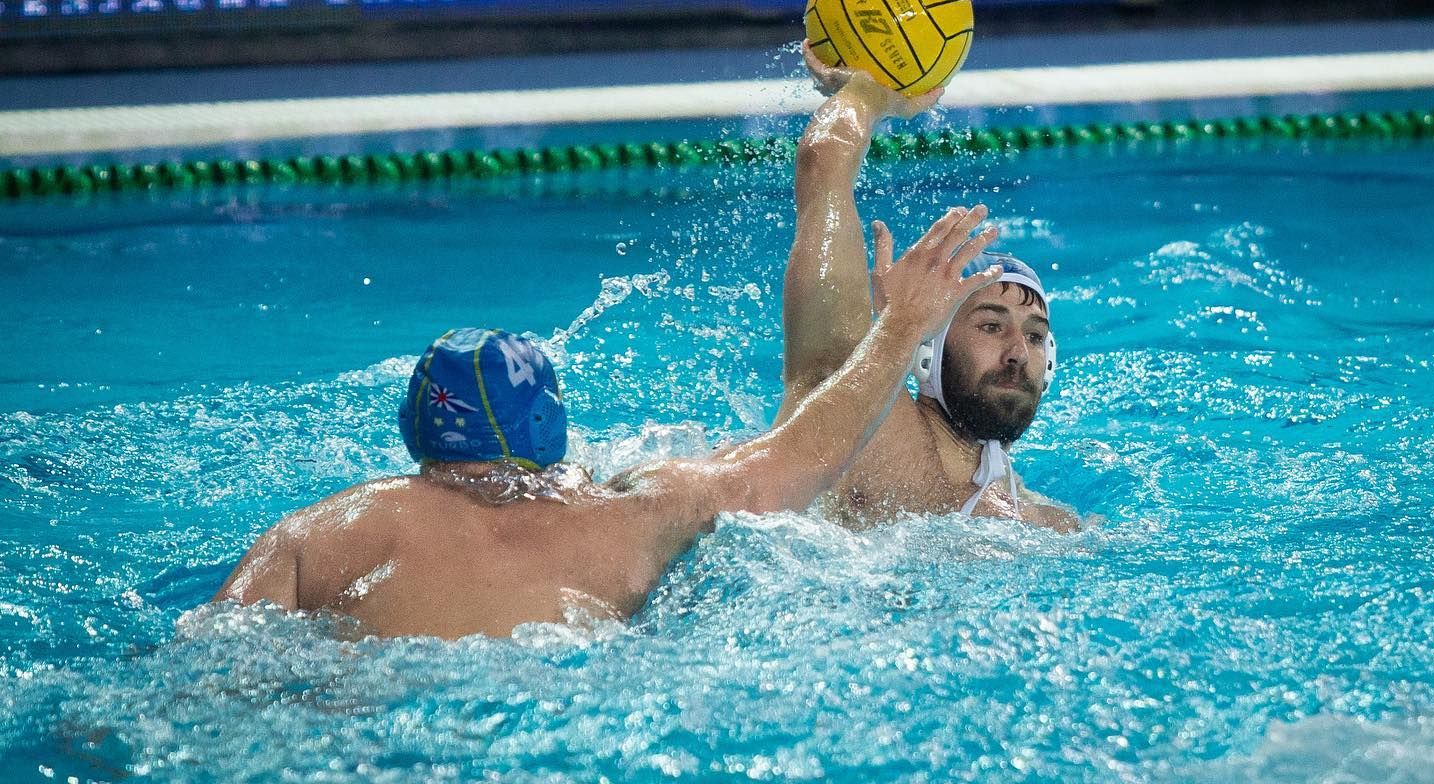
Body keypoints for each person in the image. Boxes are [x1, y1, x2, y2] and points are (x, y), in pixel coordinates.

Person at [213, 200, 1004, 639]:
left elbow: (210, 654)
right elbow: (806, 453)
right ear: (547, 423)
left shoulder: (317, 534)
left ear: (414, 426)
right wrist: (902, 325)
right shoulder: (630, 516)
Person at [774, 43, 1079, 532]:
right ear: (927, 350)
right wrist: (866, 94)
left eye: (1035, 335)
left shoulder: (1050, 524)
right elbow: (822, 167)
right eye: (991, 326)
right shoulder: (861, 428)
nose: (1019, 353)